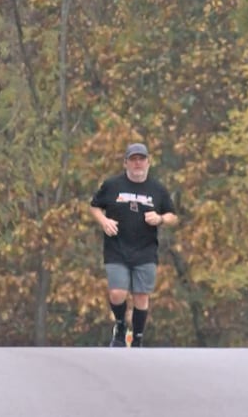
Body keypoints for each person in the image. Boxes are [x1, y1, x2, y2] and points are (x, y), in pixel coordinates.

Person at [90, 142, 178, 348]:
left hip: (145, 249)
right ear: (126, 163)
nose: (138, 164)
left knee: (141, 296)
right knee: (117, 293)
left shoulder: (157, 189)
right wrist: (104, 221)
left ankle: (137, 338)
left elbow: (173, 216)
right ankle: (120, 327)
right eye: (133, 160)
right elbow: (94, 207)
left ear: (148, 162)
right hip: (117, 247)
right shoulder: (112, 185)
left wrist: (160, 219)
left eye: (141, 159)